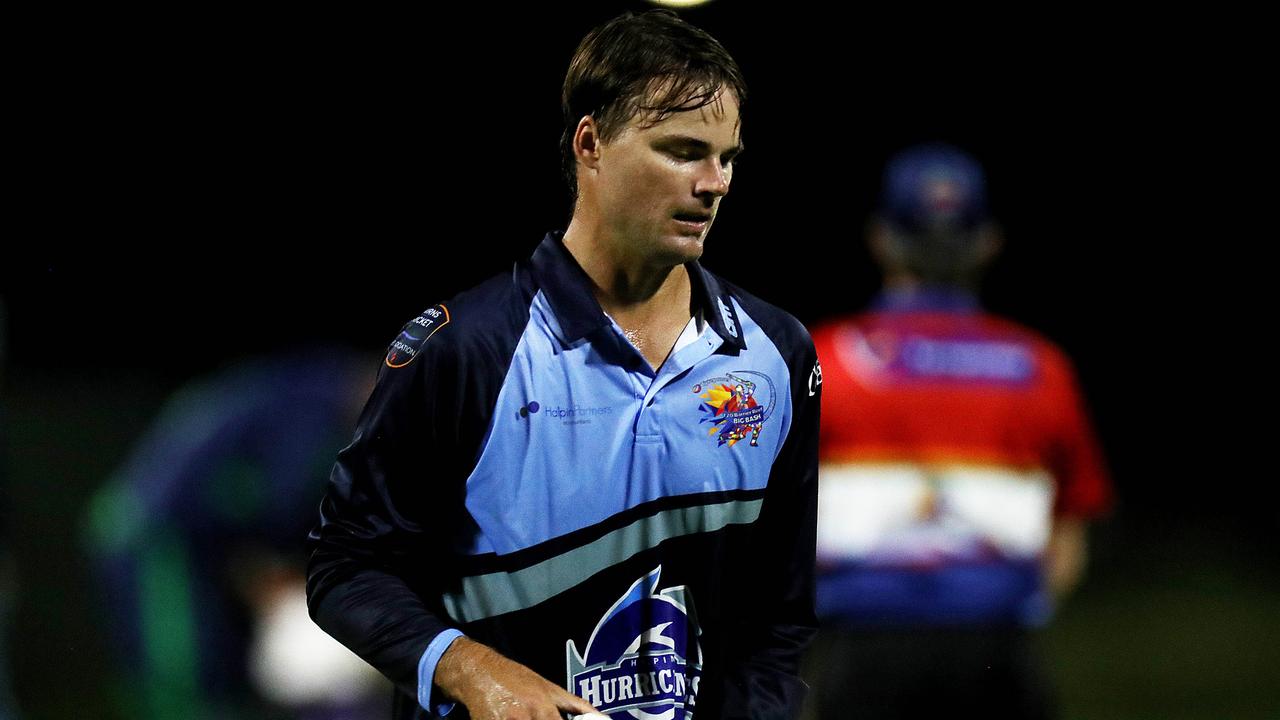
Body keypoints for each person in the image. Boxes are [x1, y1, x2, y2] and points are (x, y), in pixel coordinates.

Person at [306, 10, 822, 720]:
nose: (715, 183)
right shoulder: (467, 350)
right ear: (591, 144)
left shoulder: (778, 357)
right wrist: (473, 671)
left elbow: (775, 620)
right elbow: (346, 567)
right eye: (682, 151)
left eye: (727, 157)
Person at [804, 143, 1113, 719]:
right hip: (1000, 658)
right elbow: (1070, 536)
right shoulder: (1040, 367)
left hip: (864, 658)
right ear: (988, 242)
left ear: (881, 239)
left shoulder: (825, 360)